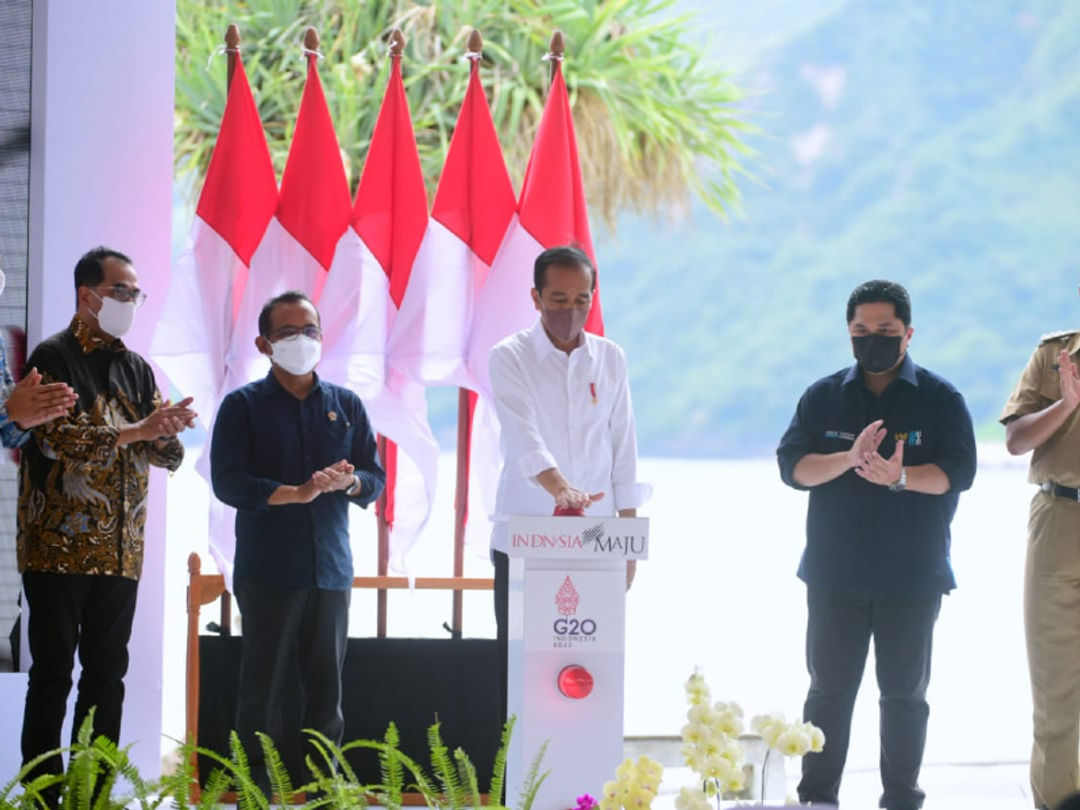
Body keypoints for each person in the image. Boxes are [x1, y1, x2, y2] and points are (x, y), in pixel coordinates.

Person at [776, 279, 976, 810]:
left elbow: (959, 473)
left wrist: (899, 475)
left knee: (905, 697)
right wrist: (848, 459)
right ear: (849, 336)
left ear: (908, 334)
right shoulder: (823, 397)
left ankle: (902, 799)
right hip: (834, 573)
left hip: (912, 576)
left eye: (885, 331)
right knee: (828, 694)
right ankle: (818, 798)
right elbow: (793, 468)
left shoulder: (941, 398)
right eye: (861, 331)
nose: (873, 340)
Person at [18, 247, 196, 792]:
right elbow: (55, 441)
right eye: (121, 291)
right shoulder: (52, 356)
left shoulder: (136, 367)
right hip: (56, 548)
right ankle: (43, 793)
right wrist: (138, 432)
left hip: (121, 551)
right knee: (52, 675)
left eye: (135, 293)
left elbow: (167, 458)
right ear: (86, 295)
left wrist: (165, 431)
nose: (131, 302)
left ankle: (92, 791)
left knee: (107, 678)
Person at [210, 290, 384, 790]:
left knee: (326, 698)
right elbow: (228, 481)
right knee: (260, 693)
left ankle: (325, 795)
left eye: (310, 330)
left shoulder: (346, 404)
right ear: (264, 343)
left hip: (330, 571)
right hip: (269, 573)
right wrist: (296, 493)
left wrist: (349, 483)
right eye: (289, 332)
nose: (302, 340)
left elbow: (375, 477)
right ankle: (256, 795)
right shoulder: (242, 406)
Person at [488, 244, 650, 720]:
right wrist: (560, 488)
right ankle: (518, 786)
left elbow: (624, 448)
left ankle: (583, 784)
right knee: (520, 671)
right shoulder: (510, 356)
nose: (570, 311)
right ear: (535, 298)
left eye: (582, 300)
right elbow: (523, 435)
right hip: (525, 535)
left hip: (596, 539)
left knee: (589, 668)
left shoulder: (610, 357)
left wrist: (627, 540)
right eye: (559, 299)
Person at [1001, 313, 1080, 810]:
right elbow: (1015, 440)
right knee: (1054, 698)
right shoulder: (1056, 354)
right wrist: (1067, 404)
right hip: (1059, 515)